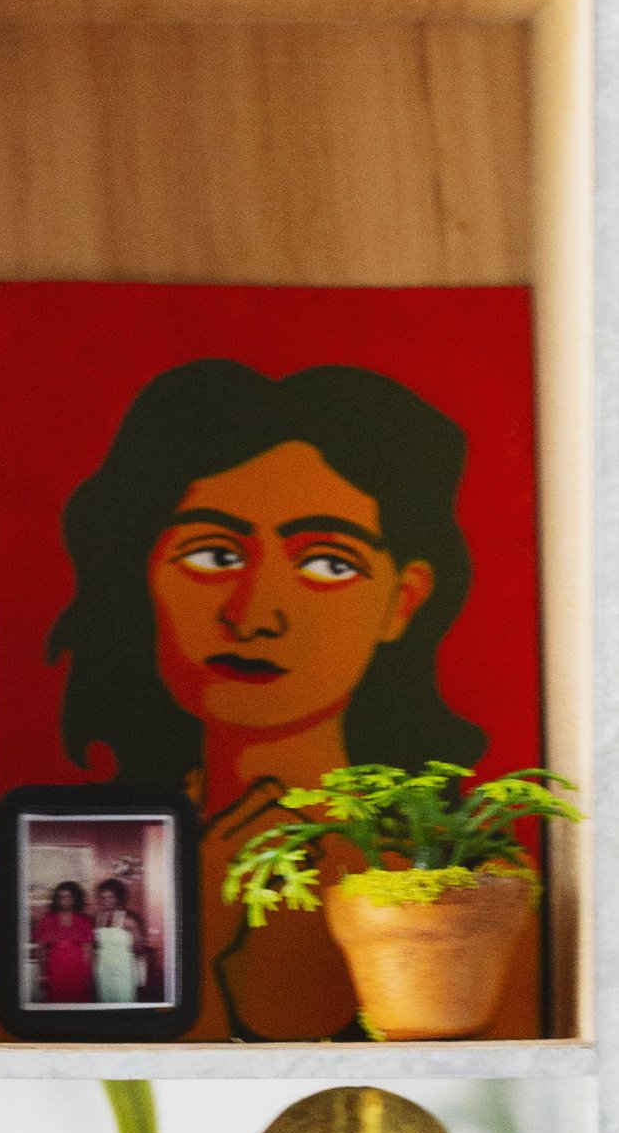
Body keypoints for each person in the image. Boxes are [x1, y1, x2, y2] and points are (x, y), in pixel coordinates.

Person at [45, 358, 490, 1040]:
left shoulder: (463, 889)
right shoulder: (86, 869)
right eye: (213, 556)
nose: (253, 615)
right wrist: (187, 932)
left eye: (327, 564)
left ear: (404, 600)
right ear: (145, 572)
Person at [32, 877, 96, 1005]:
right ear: (56, 899)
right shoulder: (48, 919)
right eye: (61, 897)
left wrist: (89, 975)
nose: (65, 900)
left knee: (79, 1000)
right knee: (58, 1000)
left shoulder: (83, 920)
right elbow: (41, 949)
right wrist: (42, 974)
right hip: (57, 967)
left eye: (68, 897)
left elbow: (88, 950)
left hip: (78, 968)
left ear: (75, 899)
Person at [90, 874, 147, 1006]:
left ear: (118, 898)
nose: (106, 901)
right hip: (103, 968)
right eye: (103, 897)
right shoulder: (98, 919)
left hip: (123, 968)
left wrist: (140, 976)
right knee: (105, 1003)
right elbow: (95, 946)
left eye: (110, 897)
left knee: (124, 1002)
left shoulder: (128, 920)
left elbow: (139, 949)